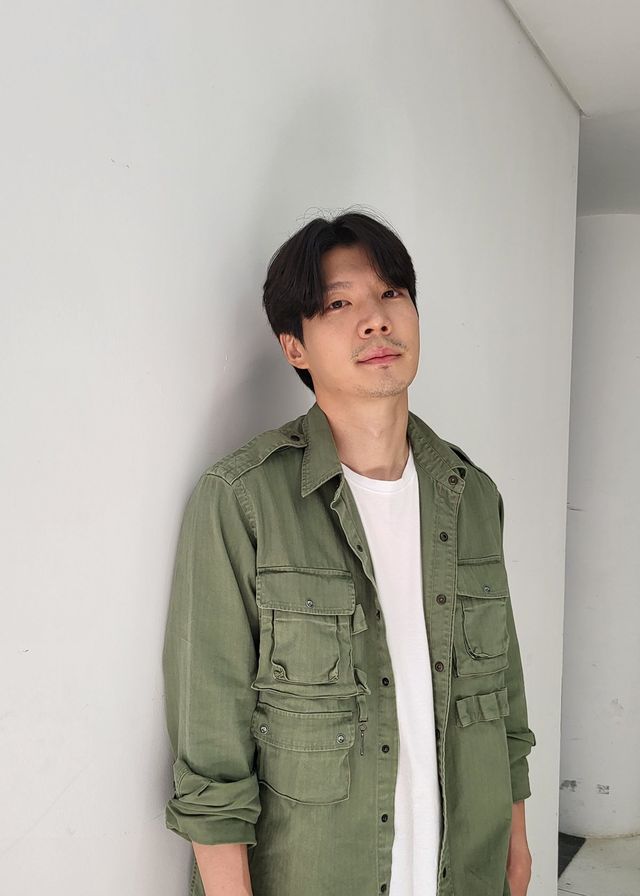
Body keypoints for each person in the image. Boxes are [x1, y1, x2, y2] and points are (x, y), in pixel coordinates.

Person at [162, 210, 536, 896]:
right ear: (294, 347)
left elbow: (503, 698)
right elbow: (209, 739)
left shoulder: (471, 494)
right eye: (339, 304)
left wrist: (517, 845)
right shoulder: (242, 500)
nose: (375, 320)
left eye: (391, 293)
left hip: (467, 872)